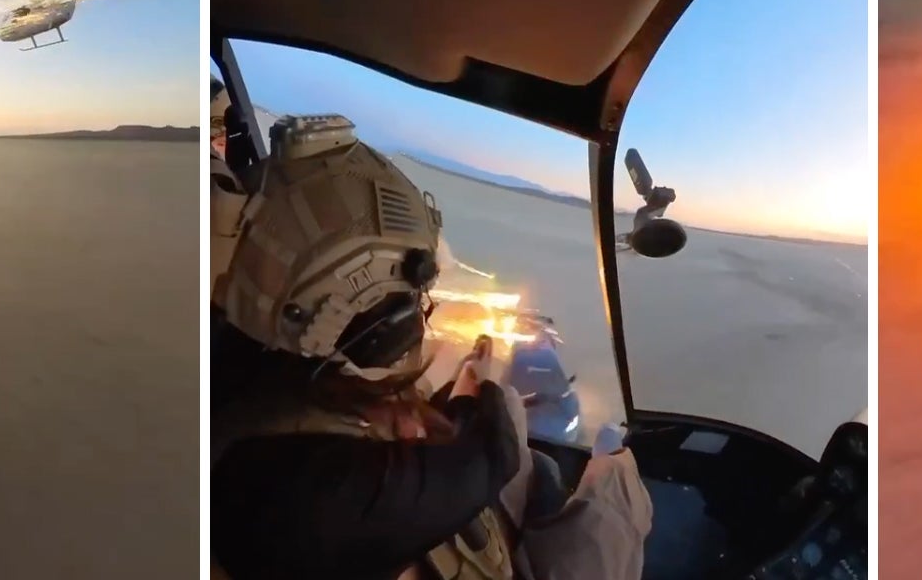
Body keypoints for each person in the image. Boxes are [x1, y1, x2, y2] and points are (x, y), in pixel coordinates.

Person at [208, 113, 653, 580]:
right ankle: (618, 463)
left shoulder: (256, 368)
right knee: (616, 501)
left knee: (531, 455)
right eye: (414, 296)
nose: (421, 310)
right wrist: (488, 397)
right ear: (386, 325)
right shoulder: (308, 498)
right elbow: (489, 456)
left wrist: (463, 396)